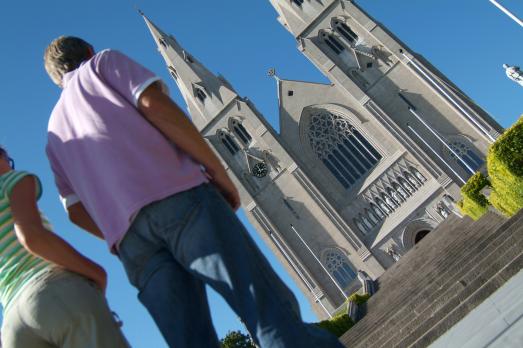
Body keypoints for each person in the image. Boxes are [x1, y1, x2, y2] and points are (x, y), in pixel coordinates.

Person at [44, 36, 344, 348]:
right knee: (265, 312)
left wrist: (118, 231)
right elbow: (154, 106)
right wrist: (216, 170)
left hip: (133, 245)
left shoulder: (53, 133)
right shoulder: (103, 63)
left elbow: (74, 211)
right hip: (180, 199)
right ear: (88, 51)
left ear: (57, 79)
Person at [0, 146, 129, 348]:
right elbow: (32, 236)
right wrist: (97, 272)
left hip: (11, 324)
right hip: (52, 292)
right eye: (9, 160)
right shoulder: (11, 180)